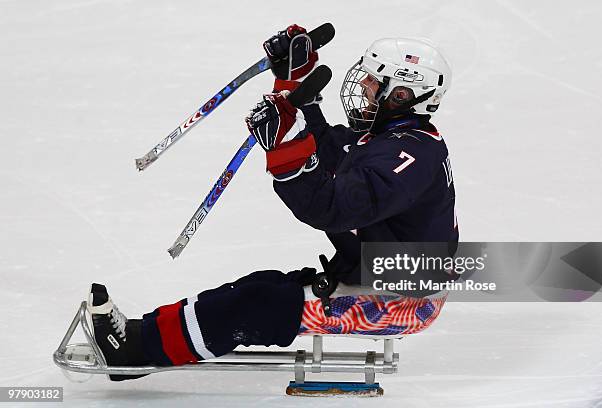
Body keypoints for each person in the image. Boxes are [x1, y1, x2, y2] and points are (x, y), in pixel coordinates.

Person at [87, 25, 458, 381]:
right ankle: (138, 335)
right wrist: (296, 82)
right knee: (259, 287)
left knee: (262, 303)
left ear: (404, 95)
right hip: (379, 274)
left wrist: (284, 146)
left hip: (402, 299)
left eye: (374, 82)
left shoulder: (409, 158)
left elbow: (331, 207)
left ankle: (132, 351)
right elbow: (332, 152)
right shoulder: (396, 140)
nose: (363, 85)